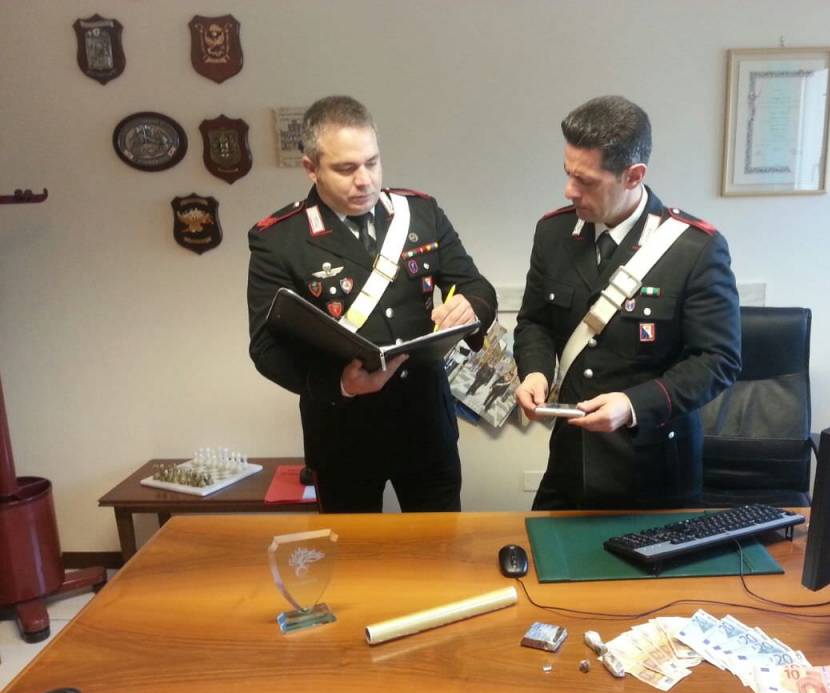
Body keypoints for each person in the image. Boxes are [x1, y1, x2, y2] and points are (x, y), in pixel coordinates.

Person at [247, 95, 496, 512]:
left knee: (439, 544)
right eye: (346, 169)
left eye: (372, 163)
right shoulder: (279, 239)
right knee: (351, 549)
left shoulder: (421, 214)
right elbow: (266, 348)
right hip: (342, 432)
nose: (364, 180)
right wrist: (341, 385)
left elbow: (477, 286)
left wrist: (472, 305)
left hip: (425, 424)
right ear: (311, 168)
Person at [514, 95, 741, 510]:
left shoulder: (694, 249)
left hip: (655, 469)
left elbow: (717, 359)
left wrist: (634, 404)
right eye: (568, 174)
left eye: (586, 181)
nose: (569, 191)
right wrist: (534, 372)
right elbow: (535, 323)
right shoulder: (553, 234)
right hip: (571, 463)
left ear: (633, 176)